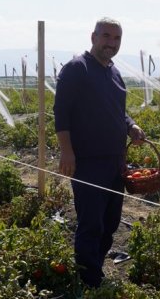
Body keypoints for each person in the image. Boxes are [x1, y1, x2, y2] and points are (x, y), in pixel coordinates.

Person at [53, 17, 145, 287]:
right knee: (91, 223)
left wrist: (131, 126)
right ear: (93, 37)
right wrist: (66, 152)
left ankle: (93, 268)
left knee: (110, 222)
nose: (111, 43)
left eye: (116, 39)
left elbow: (117, 111)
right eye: (106, 36)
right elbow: (62, 113)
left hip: (114, 162)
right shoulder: (76, 69)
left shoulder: (113, 72)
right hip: (87, 162)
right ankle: (88, 279)